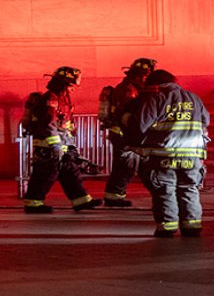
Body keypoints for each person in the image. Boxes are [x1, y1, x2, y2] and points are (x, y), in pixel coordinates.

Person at [126, 69, 210, 237]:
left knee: (165, 190)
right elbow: (206, 121)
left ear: (154, 84)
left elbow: (141, 125)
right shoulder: (194, 98)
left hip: (163, 155)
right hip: (192, 155)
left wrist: (125, 118)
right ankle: (192, 226)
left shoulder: (156, 98)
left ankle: (167, 227)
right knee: (189, 188)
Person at [23, 66, 103, 213]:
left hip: (60, 146)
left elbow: (66, 126)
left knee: (71, 173)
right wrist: (56, 146)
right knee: (45, 175)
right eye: (72, 85)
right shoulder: (51, 99)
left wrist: (71, 146)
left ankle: (81, 200)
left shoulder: (63, 99)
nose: (73, 89)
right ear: (64, 84)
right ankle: (33, 204)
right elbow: (49, 124)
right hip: (48, 147)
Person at [103, 57, 157, 207]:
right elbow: (128, 112)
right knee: (127, 167)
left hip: (131, 134)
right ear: (139, 75)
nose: (147, 79)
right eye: (146, 75)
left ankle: (114, 196)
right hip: (123, 135)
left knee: (137, 167)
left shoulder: (135, 87)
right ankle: (113, 197)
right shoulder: (128, 89)